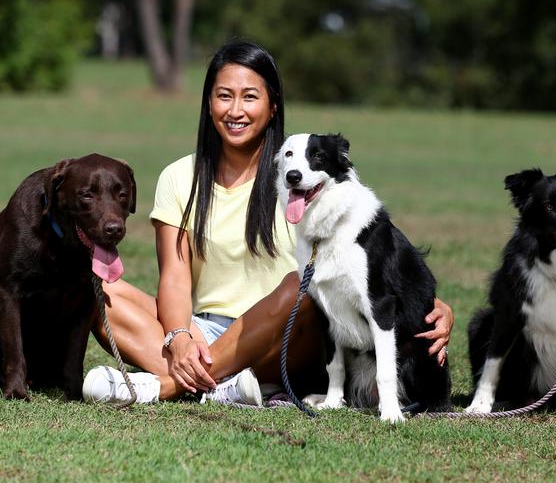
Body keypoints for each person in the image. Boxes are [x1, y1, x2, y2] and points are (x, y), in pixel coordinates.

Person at [82, 39, 455, 406]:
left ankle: (167, 387)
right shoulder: (178, 176)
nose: (235, 110)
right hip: (204, 331)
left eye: (250, 97)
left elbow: (377, 252)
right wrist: (180, 337)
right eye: (224, 96)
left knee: (300, 286)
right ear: (208, 103)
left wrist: (433, 304)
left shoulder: (305, 175)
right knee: (99, 292)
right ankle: (224, 387)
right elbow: (175, 278)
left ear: (273, 106)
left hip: (288, 336)